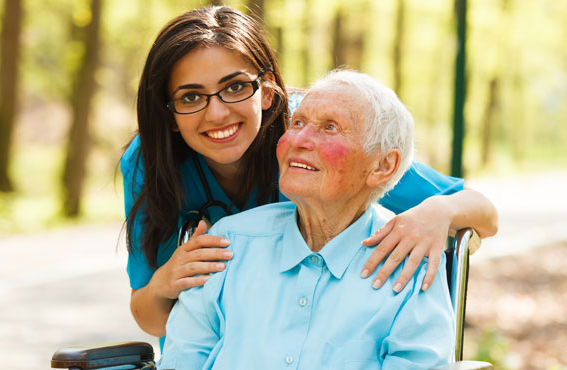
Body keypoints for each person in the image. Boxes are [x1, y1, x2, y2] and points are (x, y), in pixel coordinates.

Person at [120, 5, 498, 349]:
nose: (217, 113)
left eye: (235, 87)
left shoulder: (312, 137)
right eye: (190, 97)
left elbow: (484, 213)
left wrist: (436, 213)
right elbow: (149, 316)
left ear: (267, 92)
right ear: (169, 113)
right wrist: (164, 283)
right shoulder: (150, 162)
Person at [158, 70, 460, 370]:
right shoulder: (226, 245)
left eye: (330, 128)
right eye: (298, 122)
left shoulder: (410, 263)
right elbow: (183, 358)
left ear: (382, 165)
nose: (298, 139)